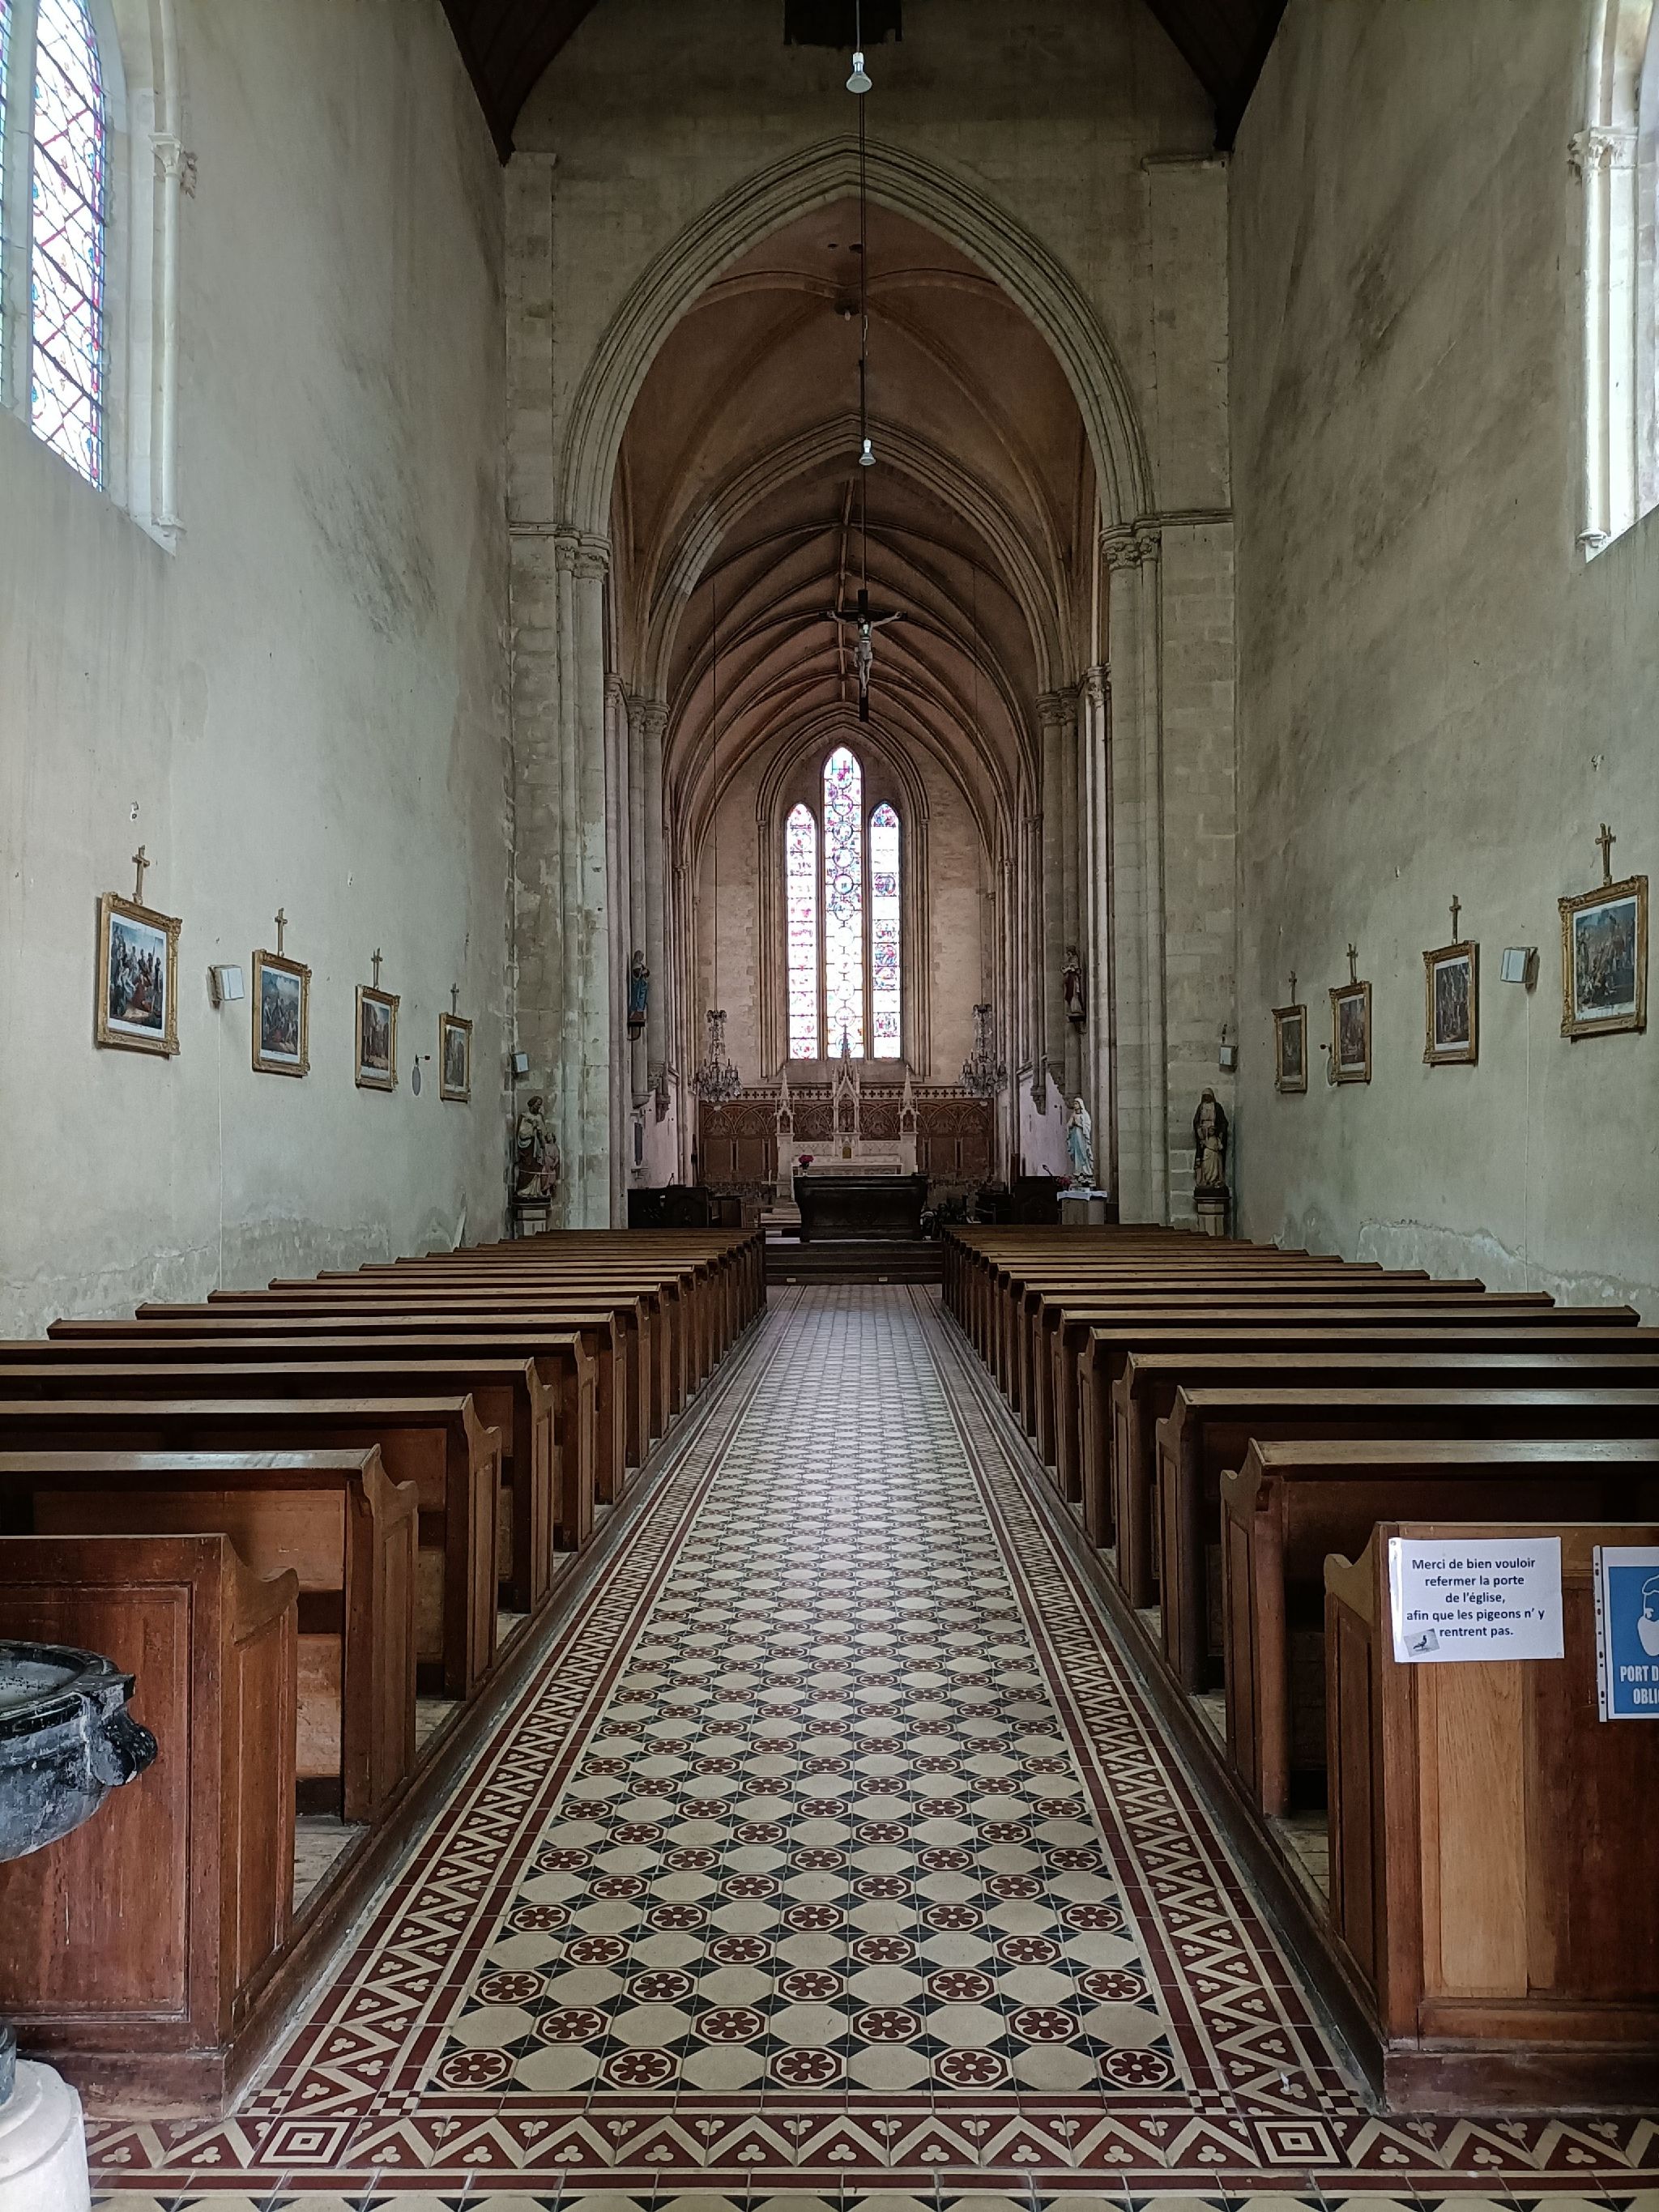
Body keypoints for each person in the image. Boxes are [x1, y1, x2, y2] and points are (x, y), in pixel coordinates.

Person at [515, 1094, 561, 1200]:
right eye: (537, 1105)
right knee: (527, 1168)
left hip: (538, 1148)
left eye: (540, 1105)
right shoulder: (524, 1117)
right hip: (528, 1148)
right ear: (532, 1104)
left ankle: (536, 1190)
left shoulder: (540, 1117)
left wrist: (540, 1131)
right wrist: (532, 1128)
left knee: (537, 1168)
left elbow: (544, 1133)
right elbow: (521, 1133)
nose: (539, 1107)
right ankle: (524, 1191)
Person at [1193, 1087, 1229, 1191]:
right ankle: (1205, 1179)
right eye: (1205, 1096)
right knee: (1205, 1156)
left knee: (1215, 1156)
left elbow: (1223, 1122)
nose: (1206, 1098)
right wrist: (1200, 1131)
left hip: (1214, 1137)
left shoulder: (1217, 1107)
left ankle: (1215, 1179)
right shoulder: (1201, 1108)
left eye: (1208, 1096)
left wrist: (1217, 1131)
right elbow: (1196, 1122)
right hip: (1204, 1137)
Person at [1064, 1095, 1094, 1186]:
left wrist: (1079, 1124)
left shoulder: (1084, 1115)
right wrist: (1071, 1124)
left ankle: (1086, 1172)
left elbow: (1087, 1126)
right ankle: (1078, 1172)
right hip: (1075, 1138)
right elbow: (1068, 1125)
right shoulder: (1073, 1115)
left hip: (1082, 1137)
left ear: (1080, 1105)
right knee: (1076, 1153)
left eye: (1076, 1103)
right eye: (1074, 1104)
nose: (1075, 1105)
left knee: (1083, 1153)